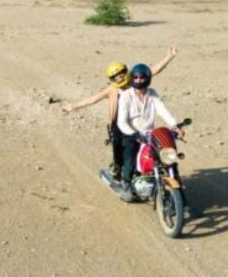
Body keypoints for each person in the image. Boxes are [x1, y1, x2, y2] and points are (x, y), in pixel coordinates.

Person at [60, 46, 177, 182]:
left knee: (150, 148)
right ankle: (118, 170)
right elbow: (93, 99)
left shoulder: (136, 81)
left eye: (121, 73)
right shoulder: (112, 90)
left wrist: (169, 57)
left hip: (138, 123)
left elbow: (152, 71)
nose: (119, 76)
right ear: (112, 79)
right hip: (118, 124)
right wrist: (72, 106)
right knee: (120, 150)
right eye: (115, 76)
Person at [116, 63, 182, 202]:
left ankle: (179, 192)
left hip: (149, 134)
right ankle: (126, 185)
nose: (139, 80)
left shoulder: (152, 94)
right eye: (136, 77)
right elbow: (122, 121)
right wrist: (133, 134)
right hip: (131, 133)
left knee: (169, 157)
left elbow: (163, 111)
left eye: (142, 78)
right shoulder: (126, 96)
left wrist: (175, 126)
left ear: (148, 78)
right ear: (132, 78)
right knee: (130, 156)